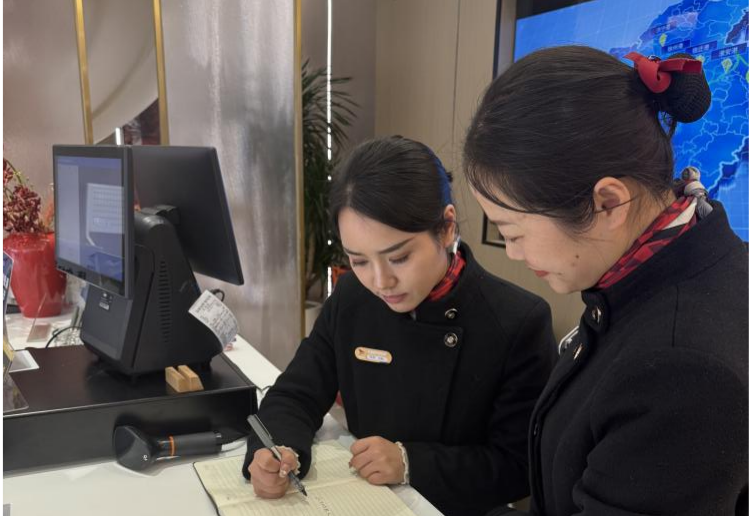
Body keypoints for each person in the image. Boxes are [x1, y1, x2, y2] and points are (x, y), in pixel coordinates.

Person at [464, 45, 749, 515]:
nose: (512, 252)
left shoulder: (680, 370)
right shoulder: (650, 272)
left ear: (608, 203)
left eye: (512, 232)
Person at [242, 136, 556, 515]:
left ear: (446, 228)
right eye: (359, 261)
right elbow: (297, 393)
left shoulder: (515, 320)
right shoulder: (352, 298)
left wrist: (411, 463)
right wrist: (275, 450)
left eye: (399, 257)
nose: (381, 282)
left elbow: (519, 467)